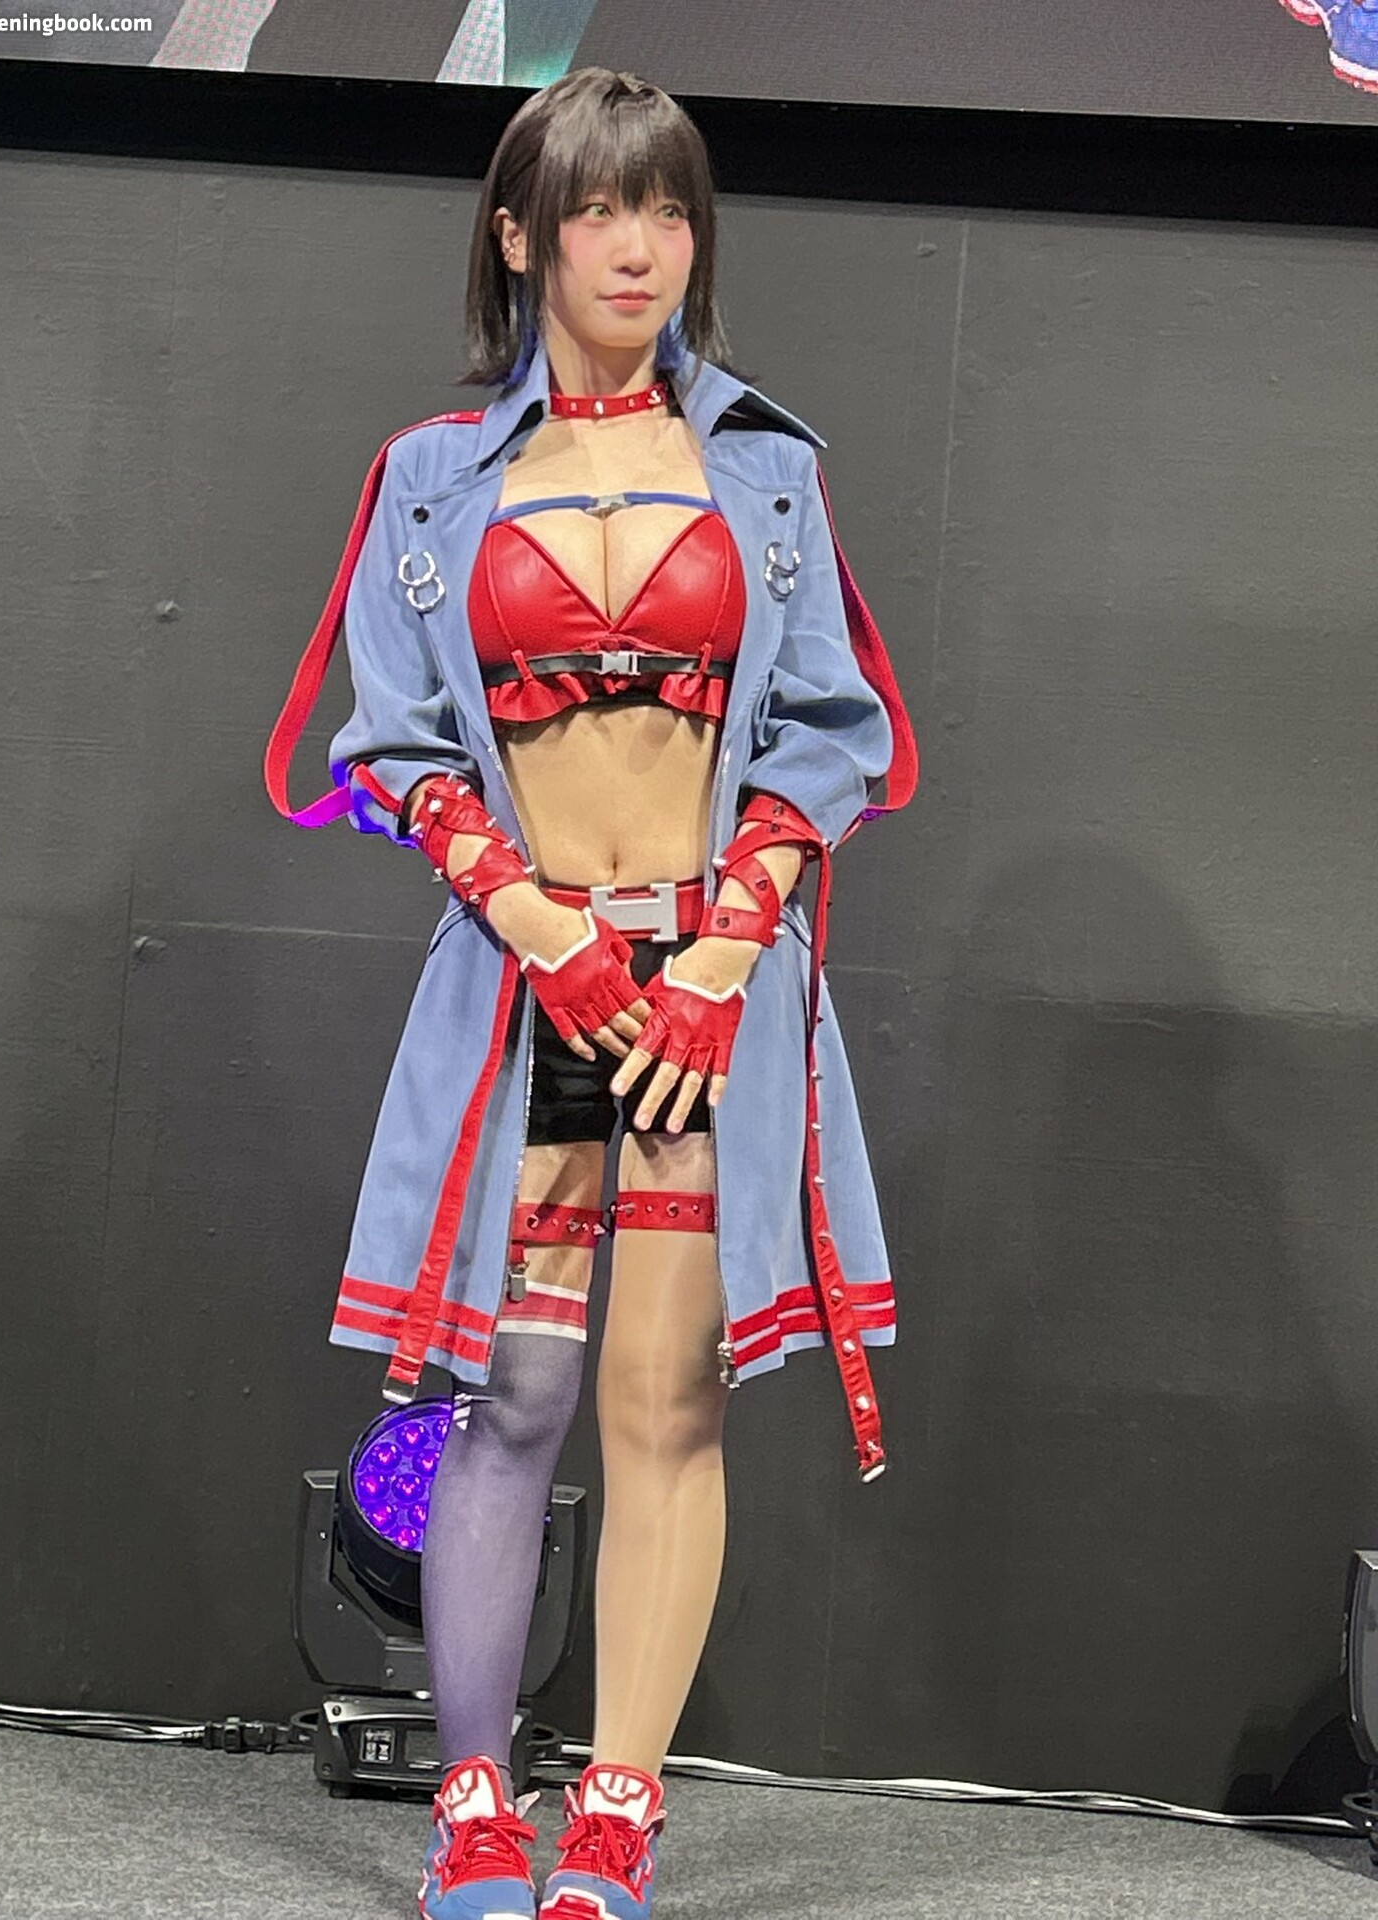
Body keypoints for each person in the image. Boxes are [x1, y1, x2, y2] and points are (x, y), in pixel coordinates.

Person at [264, 65, 917, 1920]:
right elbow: (392, 743)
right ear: (522, 236)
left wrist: (724, 945)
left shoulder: (769, 470)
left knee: (665, 1397)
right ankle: (474, 1804)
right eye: (602, 210)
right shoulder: (434, 476)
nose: (640, 247)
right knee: (514, 1390)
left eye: (671, 209)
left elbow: (830, 733)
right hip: (537, 988)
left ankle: (617, 1813)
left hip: (709, 992)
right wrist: (538, 925)